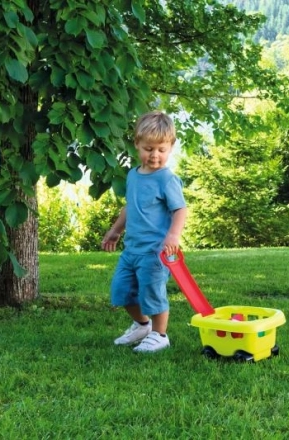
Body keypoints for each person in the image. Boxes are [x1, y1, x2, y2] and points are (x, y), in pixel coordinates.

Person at [101, 111, 187, 353]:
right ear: (137, 144)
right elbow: (132, 206)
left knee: (152, 292)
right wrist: (116, 230)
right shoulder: (133, 176)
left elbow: (180, 209)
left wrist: (173, 236)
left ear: (170, 147)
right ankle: (142, 325)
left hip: (155, 252)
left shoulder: (166, 179)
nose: (155, 155)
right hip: (132, 249)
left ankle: (160, 335)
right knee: (122, 291)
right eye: (148, 149)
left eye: (161, 149)